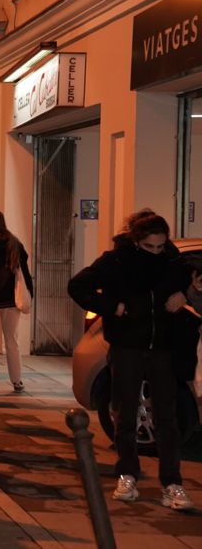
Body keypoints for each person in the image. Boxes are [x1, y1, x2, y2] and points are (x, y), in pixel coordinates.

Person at [68, 211, 194, 511]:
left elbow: (190, 285)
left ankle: (172, 484)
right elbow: (78, 287)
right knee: (124, 414)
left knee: (167, 418)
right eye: (150, 246)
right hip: (126, 346)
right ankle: (127, 475)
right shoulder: (116, 261)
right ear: (137, 241)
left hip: (163, 347)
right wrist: (114, 307)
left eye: (161, 246)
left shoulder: (175, 262)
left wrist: (183, 296)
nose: (156, 252)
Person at [0, 210, 33, 395]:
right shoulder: (13, 243)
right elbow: (24, 271)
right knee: (12, 341)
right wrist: (30, 294)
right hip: (11, 300)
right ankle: (17, 381)